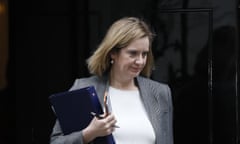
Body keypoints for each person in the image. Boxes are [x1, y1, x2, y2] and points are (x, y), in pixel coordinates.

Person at [50, 17, 173, 144]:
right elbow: (56, 142)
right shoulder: (83, 88)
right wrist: (89, 133)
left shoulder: (160, 92)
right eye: (133, 53)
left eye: (144, 54)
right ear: (113, 52)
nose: (140, 61)